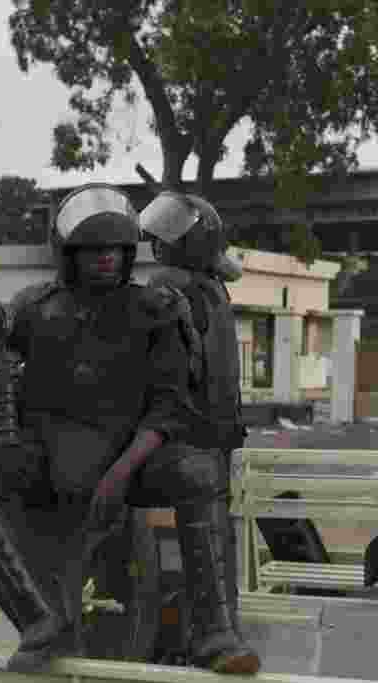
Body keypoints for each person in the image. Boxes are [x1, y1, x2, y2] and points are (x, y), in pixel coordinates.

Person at [0, 184, 259, 675]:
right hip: (46, 456)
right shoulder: (33, 307)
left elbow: (169, 406)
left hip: (127, 455)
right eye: (92, 249)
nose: (106, 257)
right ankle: (39, 622)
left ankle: (216, 634)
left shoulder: (156, 308)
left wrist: (121, 473)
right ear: (68, 254)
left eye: (115, 249)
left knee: (197, 471)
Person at [141, 191, 259, 669]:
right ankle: (218, 631)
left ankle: (209, 635)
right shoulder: (209, 290)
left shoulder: (174, 288)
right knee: (215, 540)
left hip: (194, 437)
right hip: (215, 438)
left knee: (206, 538)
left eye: (167, 236)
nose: (156, 243)